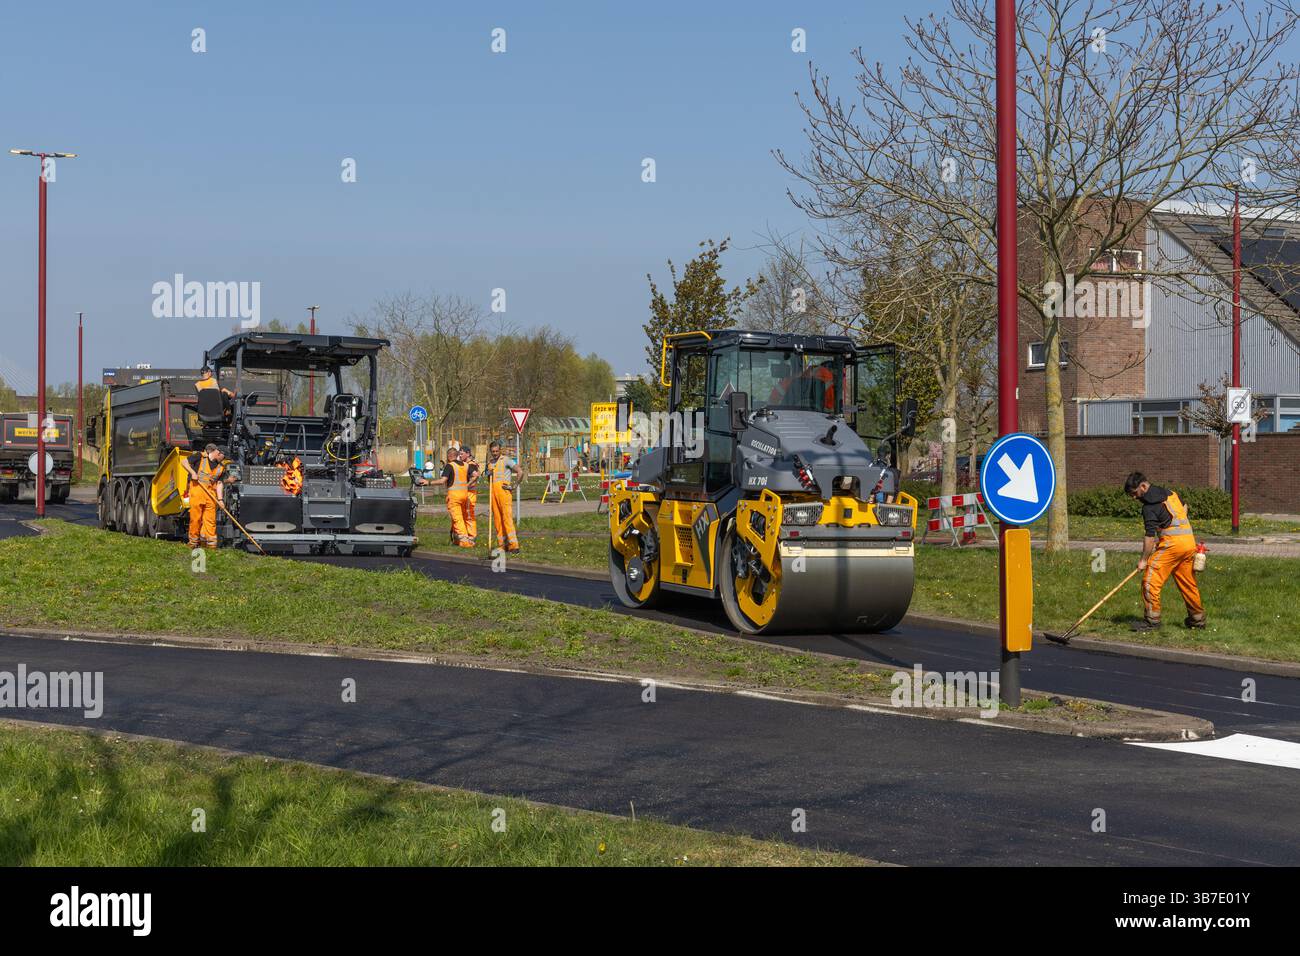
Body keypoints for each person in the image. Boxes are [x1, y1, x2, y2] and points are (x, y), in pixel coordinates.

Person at [1124, 471, 1205, 631]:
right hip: (1189, 543)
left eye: (1134, 493)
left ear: (1143, 486)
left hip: (1173, 546)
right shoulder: (1170, 493)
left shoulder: (1149, 507)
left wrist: (1143, 560)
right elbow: (1184, 507)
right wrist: (1169, 529)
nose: (1134, 497)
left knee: (1150, 581)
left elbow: (1149, 536)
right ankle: (1197, 619)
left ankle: (1152, 621)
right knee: (1187, 583)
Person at [428, 446, 479, 547]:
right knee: (464, 517)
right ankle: (459, 539)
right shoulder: (465, 465)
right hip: (464, 495)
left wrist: (428, 482)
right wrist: (467, 485)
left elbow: (443, 480)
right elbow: (476, 475)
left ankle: (464, 541)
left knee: (457, 518)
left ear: (449, 456)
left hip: (454, 496)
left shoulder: (449, 466)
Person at [183, 443, 226, 549]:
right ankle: (193, 542)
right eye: (223, 456)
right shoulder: (199, 456)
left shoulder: (221, 467)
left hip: (211, 495)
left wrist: (220, 500)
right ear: (218, 452)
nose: (224, 459)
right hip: (197, 491)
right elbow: (184, 462)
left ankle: (211, 545)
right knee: (195, 518)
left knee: (210, 520)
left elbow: (219, 483)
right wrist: (193, 473)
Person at [485, 440, 522, 553]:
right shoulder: (490, 463)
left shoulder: (506, 460)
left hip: (504, 493)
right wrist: (488, 473)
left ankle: (513, 545)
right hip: (493, 493)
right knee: (497, 520)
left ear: (500, 450)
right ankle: (502, 545)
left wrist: (514, 486)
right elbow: (488, 479)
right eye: (493, 451)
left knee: (507, 519)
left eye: (497, 451)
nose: (495, 453)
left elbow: (520, 471)